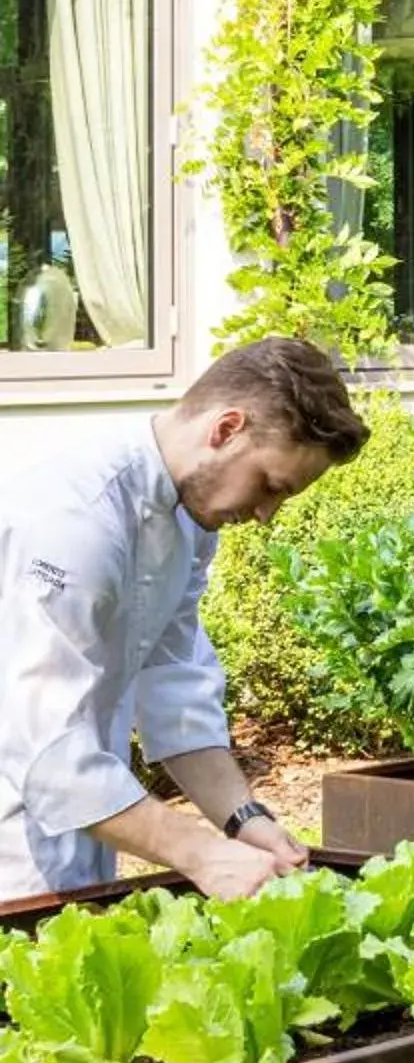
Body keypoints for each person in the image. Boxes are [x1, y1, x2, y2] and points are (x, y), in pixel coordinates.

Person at [0, 336, 368, 902]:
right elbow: (47, 751)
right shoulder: (75, 523)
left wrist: (246, 821)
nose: (267, 515)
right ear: (225, 429)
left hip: (81, 830)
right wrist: (200, 853)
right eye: (271, 485)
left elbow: (172, 682)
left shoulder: (191, 523)